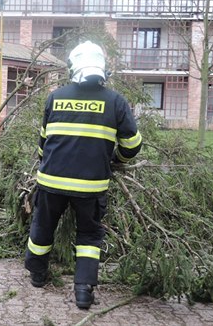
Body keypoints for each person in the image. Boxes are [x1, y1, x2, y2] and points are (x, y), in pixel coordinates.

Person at [24, 41, 142, 310]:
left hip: (51, 181)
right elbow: (133, 145)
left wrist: (50, 162)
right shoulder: (115, 101)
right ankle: (83, 292)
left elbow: (43, 143)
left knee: (43, 226)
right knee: (89, 236)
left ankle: (37, 275)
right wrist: (116, 161)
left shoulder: (55, 97)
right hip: (91, 185)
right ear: (102, 67)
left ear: (73, 66)